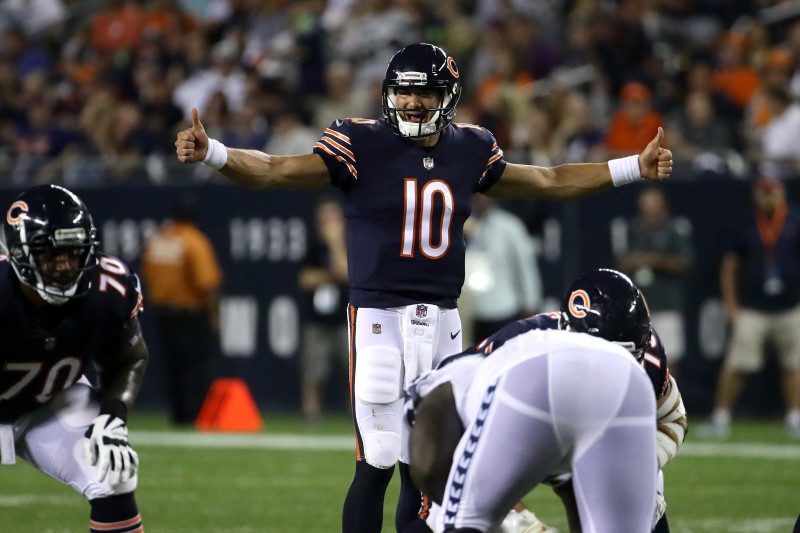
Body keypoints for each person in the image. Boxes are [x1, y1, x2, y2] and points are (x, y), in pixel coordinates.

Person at [175, 42, 673, 533]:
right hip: (378, 318)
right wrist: (214, 153)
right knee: (377, 458)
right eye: (403, 92)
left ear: (448, 97)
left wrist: (633, 167)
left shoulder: (471, 147)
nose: (412, 103)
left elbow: (550, 180)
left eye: (426, 93)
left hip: (443, 320)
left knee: (429, 467)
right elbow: (275, 169)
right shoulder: (361, 142)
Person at [404, 269, 686, 533]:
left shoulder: (648, 355)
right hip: (515, 417)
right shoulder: (518, 348)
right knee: (442, 515)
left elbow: (673, 419)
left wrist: (641, 468)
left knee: (460, 517)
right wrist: (516, 517)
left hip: (549, 415)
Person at [0, 184, 147, 531]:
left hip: (50, 401)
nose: (65, 265)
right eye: (51, 255)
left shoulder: (106, 289)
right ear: (20, 254)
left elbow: (130, 358)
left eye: (74, 252)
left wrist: (113, 417)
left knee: (112, 472)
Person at [702, 177, 800, 439]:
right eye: (763, 193)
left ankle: (795, 417)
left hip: (790, 307)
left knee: (794, 365)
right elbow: (729, 267)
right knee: (735, 365)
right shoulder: (745, 223)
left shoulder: (794, 221)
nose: (767, 198)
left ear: (781, 194)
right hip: (753, 308)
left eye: (772, 193)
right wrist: (732, 306)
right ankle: (720, 417)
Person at [141, 193, 223, 425]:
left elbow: (146, 274)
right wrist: (214, 317)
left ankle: (178, 415)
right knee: (194, 368)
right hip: (190, 314)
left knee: (172, 366)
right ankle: (194, 415)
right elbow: (208, 284)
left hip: (163, 314)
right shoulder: (194, 241)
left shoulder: (158, 240)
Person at [616, 187, 693, 375]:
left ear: (663, 207)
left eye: (653, 207)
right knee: (632, 358)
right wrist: (633, 261)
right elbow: (619, 263)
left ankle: (667, 402)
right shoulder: (631, 229)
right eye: (645, 207)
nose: (648, 212)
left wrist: (654, 259)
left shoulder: (675, 229)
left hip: (666, 303)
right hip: (638, 306)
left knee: (668, 358)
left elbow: (684, 264)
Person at [298, 194, 350, 422]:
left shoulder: (351, 244)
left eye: (333, 218)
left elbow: (347, 273)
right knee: (313, 370)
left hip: (347, 318)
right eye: (324, 219)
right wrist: (331, 276)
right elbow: (305, 279)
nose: (328, 224)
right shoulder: (314, 247)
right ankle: (311, 413)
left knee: (353, 371)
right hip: (318, 319)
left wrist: (336, 243)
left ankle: (356, 414)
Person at [465, 194, 542, 344]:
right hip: (478, 312)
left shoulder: (510, 226)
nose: (480, 200)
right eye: (477, 196)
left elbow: (525, 267)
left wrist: (531, 304)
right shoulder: (469, 227)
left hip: (505, 310)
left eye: (484, 195)